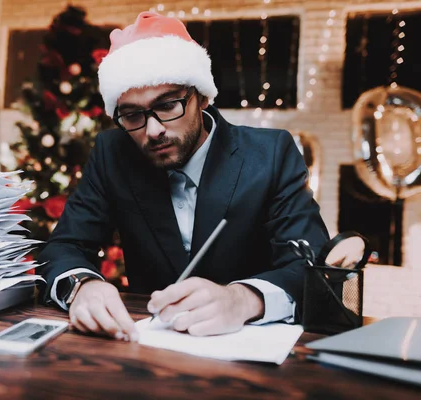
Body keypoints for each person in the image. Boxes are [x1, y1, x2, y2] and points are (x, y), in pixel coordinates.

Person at [37, 12, 330, 342]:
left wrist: (245, 299)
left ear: (202, 97)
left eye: (168, 105)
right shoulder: (113, 152)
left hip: (253, 355)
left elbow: (314, 266)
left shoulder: (270, 153)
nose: (153, 129)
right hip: (146, 349)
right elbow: (64, 246)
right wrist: (82, 286)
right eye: (132, 114)